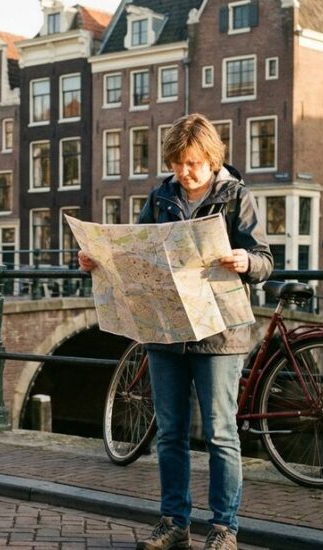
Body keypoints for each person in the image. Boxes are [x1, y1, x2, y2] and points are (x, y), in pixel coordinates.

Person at [79, 113, 272, 550]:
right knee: (170, 432)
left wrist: (246, 262)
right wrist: (95, 260)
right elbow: (135, 252)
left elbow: (264, 258)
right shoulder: (160, 197)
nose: (184, 173)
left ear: (211, 158)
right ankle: (174, 521)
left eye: (192, 164)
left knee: (221, 432)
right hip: (165, 329)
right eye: (177, 164)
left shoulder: (236, 197)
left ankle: (224, 528)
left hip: (219, 333)